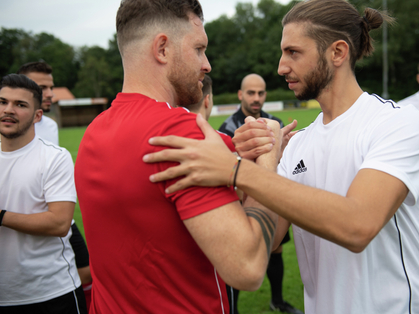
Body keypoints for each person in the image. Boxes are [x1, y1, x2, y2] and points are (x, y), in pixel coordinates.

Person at [143, 1, 419, 313]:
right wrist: (256, 158)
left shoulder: (396, 124)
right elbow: (270, 240)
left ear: (338, 53)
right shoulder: (298, 144)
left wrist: (235, 170)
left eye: (293, 52)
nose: (281, 66)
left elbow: (358, 227)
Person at [74, 1, 287, 313]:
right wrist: (269, 155)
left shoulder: (93, 132)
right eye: (199, 49)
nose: (207, 64)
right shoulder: (180, 131)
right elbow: (249, 267)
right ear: (162, 48)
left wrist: (236, 157)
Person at [0, 74, 87, 313]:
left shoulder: (55, 158)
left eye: (20, 105)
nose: (8, 110)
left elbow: (59, 223)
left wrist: (2, 216)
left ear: (38, 116)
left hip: (51, 292)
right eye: (2, 102)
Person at [219, 73, 300, 314]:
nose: (257, 98)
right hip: (239, 202)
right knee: (239, 256)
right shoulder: (228, 127)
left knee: (275, 248)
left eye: (261, 93)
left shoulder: (273, 122)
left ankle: (277, 300)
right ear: (240, 94)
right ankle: (233, 308)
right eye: (251, 93)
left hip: (272, 198)